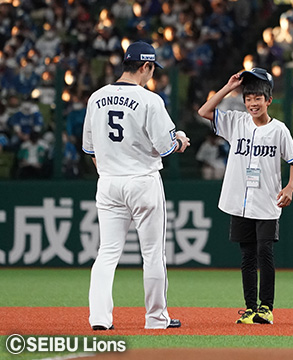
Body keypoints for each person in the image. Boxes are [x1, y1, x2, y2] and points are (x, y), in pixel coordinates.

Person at [82, 41, 190, 331]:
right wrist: (180, 139)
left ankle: (99, 318)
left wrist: (110, 170)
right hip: (142, 181)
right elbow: (166, 147)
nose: (151, 75)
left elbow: (90, 149)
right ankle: (156, 318)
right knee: (153, 252)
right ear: (146, 66)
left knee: (107, 252)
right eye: (151, 69)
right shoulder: (150, 100)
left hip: (108, 183)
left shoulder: (96, 97)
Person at [197, 68, 293, 325]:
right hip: (239, 201)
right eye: (248, 98)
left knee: (264, 254)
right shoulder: (236, 121)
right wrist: (227, 87)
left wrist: (290, 188)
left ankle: (266, 308)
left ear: (269, 101)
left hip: (267, 200)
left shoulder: (279, 130)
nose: (252, 103)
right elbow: (203, 112)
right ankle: (250, 308)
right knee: (246, 257)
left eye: (258, 98)